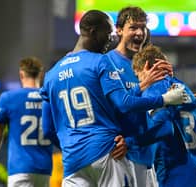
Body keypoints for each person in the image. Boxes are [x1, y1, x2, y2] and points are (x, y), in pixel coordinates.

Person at [40, 10, 184, 187]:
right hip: (109, 152)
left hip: (74, 159)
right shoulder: (101, 62)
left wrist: (73, 147)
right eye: (108, 33)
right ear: (94, 32)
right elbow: (123, 104)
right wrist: (164, 98)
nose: (110, 38)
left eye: (143, 27)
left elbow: (47, 129)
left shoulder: (50, 75)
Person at [106, 6, 173, 187]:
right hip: (120, 156)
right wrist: (143, 84)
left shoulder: (150, 62)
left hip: (147, 156)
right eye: (133, 28)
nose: (139, 33)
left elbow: (165, 110)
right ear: (119, 30)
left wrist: (171, 83)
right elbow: (115, 106)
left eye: (142, 28)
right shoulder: (107, 62)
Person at [126, 44, 196, 187]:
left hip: (175, 172)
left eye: (138, 75)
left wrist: (130, 142)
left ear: (146, 67)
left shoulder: (154, 89)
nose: (140, 81)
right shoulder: (184, 88)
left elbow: (164, 128)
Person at [0, 56, 53, 187]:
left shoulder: (9, 97)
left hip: (20, 168)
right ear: (41, 74)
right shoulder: (49, 98)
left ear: (21, 74)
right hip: (44, 169)